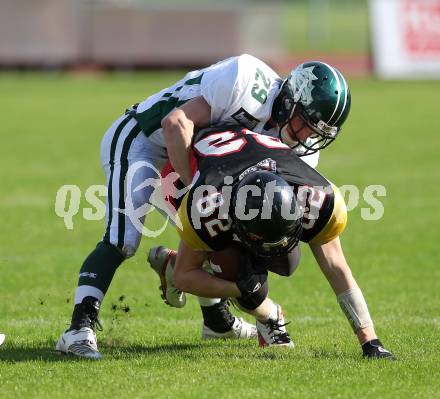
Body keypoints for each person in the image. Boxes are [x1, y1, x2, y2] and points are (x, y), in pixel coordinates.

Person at [56, 54, 351, 359]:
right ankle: (78, 328)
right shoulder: (246, 82)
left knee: (226, 233)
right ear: (290, 101)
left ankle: (217, 320)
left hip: (189, 158)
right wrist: (196, 192)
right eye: (305, 123)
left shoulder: (297, 143)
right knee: (124, 239)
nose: (307, 137)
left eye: (318, 132)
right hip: (143, 141)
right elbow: (175, 123)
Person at [151, 125, 395, 358]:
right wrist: (240, 289)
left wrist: (370, 342)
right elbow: (185, 276)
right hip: (182, 176)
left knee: (287, 264)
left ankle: (181, 269)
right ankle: (269, 316)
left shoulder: (316, 198)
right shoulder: (206, 207)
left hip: (246, 165)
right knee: (236, 270)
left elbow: (336, 266)